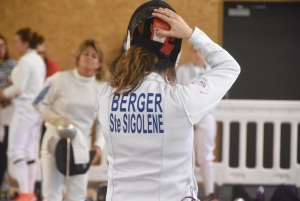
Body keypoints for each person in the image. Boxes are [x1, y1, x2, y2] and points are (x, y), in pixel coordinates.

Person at [95, 1, 240, 201]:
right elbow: (230, 67)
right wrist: (191, 34)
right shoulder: (181, 100)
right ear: (172, 63)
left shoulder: (106, 96)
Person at [33, 39, 106, 201]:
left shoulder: (102, 89)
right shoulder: (59, 79)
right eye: (85, 53)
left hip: (81, 148)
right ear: (78, 57)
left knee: (77, 196)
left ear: (99, 63)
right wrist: (57, 120)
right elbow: (37, 103)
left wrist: (98, 146)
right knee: (51, 194)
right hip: (54, 143)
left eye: (94, 56)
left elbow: (103, 122)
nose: (89, 58)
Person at [0, 28, 46, 201]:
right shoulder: (38, 60)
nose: (14, 44)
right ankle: (30, 192)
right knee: (28, 152)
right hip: (34, 109)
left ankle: (26, 192)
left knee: (15, 151)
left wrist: (2, 94)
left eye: (17, 41)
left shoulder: (26, 60)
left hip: (24, 108)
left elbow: (17, 88)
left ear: (26, 43)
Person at [177, 48, 218, 201]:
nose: (197, 54)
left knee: (206, 155)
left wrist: (199, 116)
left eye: (200, 51)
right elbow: (178, 93)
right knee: (186, 155)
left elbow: (215, 96)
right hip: (186, 118)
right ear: (191, 53)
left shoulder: (213, 72)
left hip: (206, 117)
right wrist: (191, 116)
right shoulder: (181, 71)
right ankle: (186, 193)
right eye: (194, 51)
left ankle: (210, 192)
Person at [0, 34, 16, 192]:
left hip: (7, 115)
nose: (0, 49)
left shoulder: (12, 65)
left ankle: (4, 187)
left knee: (4, 151)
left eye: (2, 45)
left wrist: (4, 94)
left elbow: (16, 88)